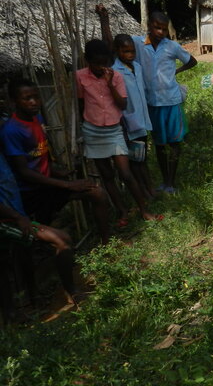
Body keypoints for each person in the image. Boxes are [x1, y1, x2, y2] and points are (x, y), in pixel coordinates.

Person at [0, 78, 112, 244]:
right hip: (30, 192)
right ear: (14, 101)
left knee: (97, 193)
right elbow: (24, 172)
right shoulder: (11, 130)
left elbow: (38, 156)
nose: (33, 102)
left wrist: (58, 172)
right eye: (27, 98)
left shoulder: (38, 119)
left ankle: (107, 243)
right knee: (44, 234)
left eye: (36, 97)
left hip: (47, 183)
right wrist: (67, 184)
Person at [76, 40, 157, 225]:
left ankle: (144, 210)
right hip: (93, 130)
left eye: (104, 63)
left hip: (114, 130)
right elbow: (81, 104)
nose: (100, 67)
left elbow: (122, 104)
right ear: (88, 60)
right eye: (96, 63)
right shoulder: (80, 76)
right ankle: (122, 212)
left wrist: (110, 84)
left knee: (126, 173)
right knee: (107, 176)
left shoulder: (117, 76)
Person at [0, 152, 76, 322]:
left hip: (16, 215)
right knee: (61, 239)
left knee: (15, 257)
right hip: (8, 221)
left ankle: (27, 304)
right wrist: (18, 217)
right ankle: (71, 293)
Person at [132, 11, 197, 194]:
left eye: (164, 29)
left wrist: (176, 72)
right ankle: (164, 181)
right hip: (152, 103)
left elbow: (192, 61)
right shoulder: (138, 43)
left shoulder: (172, 47)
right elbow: (117, 44)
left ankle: (171, 182)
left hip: (171, 101)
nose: (161, 32)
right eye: (157, 28)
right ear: (149, 26)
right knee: (159, 144)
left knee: (174, 143)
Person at [111, 33, 156, 200]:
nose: (129, 55)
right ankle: (144, 190)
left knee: (143, 157)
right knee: (136, 160)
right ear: (117, 51)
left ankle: (149, 188)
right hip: (129, 122)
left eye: (132, 51)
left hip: (142, 120)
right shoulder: (115, 72)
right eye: (125, 51)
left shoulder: (137, 67)